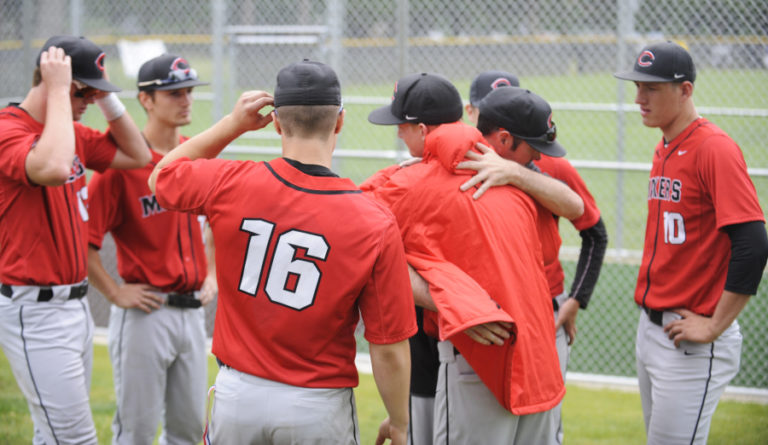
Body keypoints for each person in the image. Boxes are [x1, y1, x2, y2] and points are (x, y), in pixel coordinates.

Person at [147, 59, 416, 445]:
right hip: (316, 404)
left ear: (275, 123)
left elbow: (161, 177)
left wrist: (233, 124)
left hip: (237, 396)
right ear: (339, 121)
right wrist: (400, 422)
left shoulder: (231, 182)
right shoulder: (374, 220)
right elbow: (388, 347)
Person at [364, 72, 564, 444]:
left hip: (480, 358)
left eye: (402, 126)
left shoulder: (408, 185)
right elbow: (549, 254)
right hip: (540, 362)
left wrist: (448, 299)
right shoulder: (512, 182)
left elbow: (353, 244)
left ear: (423, 130)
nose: (397, 134)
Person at [614, 41, 768, 444]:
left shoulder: (713, 148)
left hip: (690, 341)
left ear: (685, 90)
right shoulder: (665, 145)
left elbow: (753, 241)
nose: (639, 98)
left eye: (652, 88)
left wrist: (717, 324)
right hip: (653, 331)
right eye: (637, 86)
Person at [0, 35, 151, 444]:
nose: (87, 101)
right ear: (54, 83)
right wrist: (58, 92)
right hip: (36, 312)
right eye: (83, 91)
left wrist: (104, 98)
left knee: (52, 435)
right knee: (75, 438)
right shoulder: (7, 130)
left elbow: (139, 155)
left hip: (75, 306)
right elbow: (50, 166)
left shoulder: (71, 132)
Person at [463, 76, 609, 442]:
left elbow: (594, 228)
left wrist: (576, 299)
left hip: (545, 311)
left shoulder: (547, 165)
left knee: (541, 431)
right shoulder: (460, 168)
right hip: (484, 321)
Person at [87, 53, 216, 444]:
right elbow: (83, 240)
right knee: (137, 431)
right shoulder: (121, 166)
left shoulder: (197, 154)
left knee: (190, 429)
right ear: (146, 100)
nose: (186, 100)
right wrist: (113, 291)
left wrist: (212, 273)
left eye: (189, 91)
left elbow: (214, 225)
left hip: (192, 312)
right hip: (146, 312)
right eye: (174, 92)